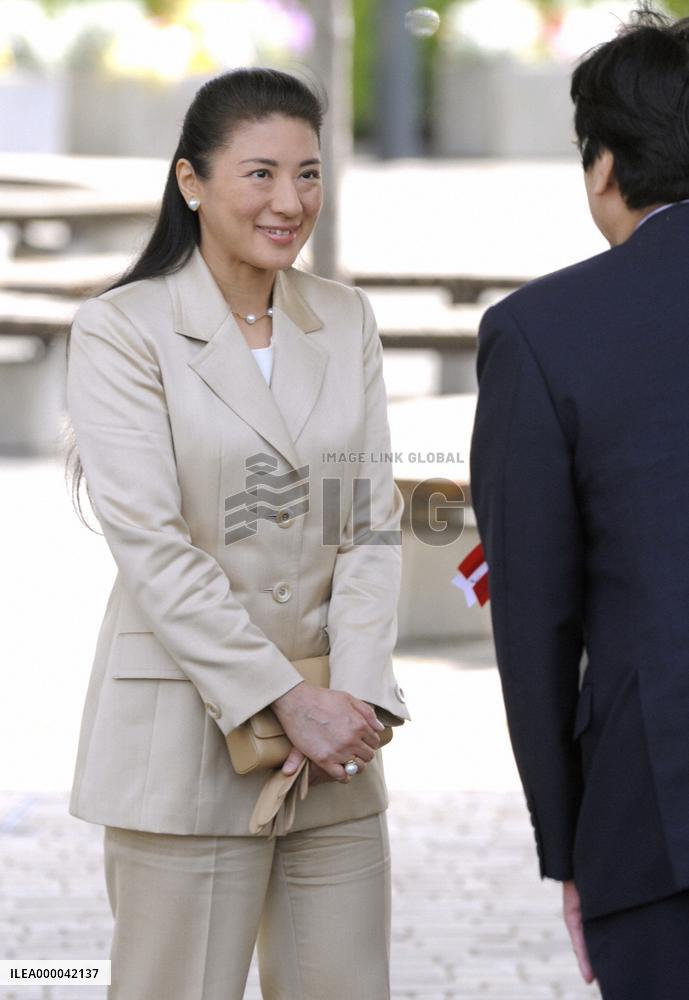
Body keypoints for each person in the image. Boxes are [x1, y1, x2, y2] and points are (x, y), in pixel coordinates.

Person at [65, 67, 409, 1000]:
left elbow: (369, 524)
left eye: (307, 174)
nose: (288, 201)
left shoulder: (344, 319)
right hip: (182, 740)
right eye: (259, 173)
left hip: (335, 751)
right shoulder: (120, 331)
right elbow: (154, 546)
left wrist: (359, 696)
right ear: (191, 182)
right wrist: (280, 698)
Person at [469, 7, 689, 998]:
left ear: (601, 165)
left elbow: (533, 616)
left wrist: (567, 845)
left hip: (655, 816)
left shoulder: (541, 333)